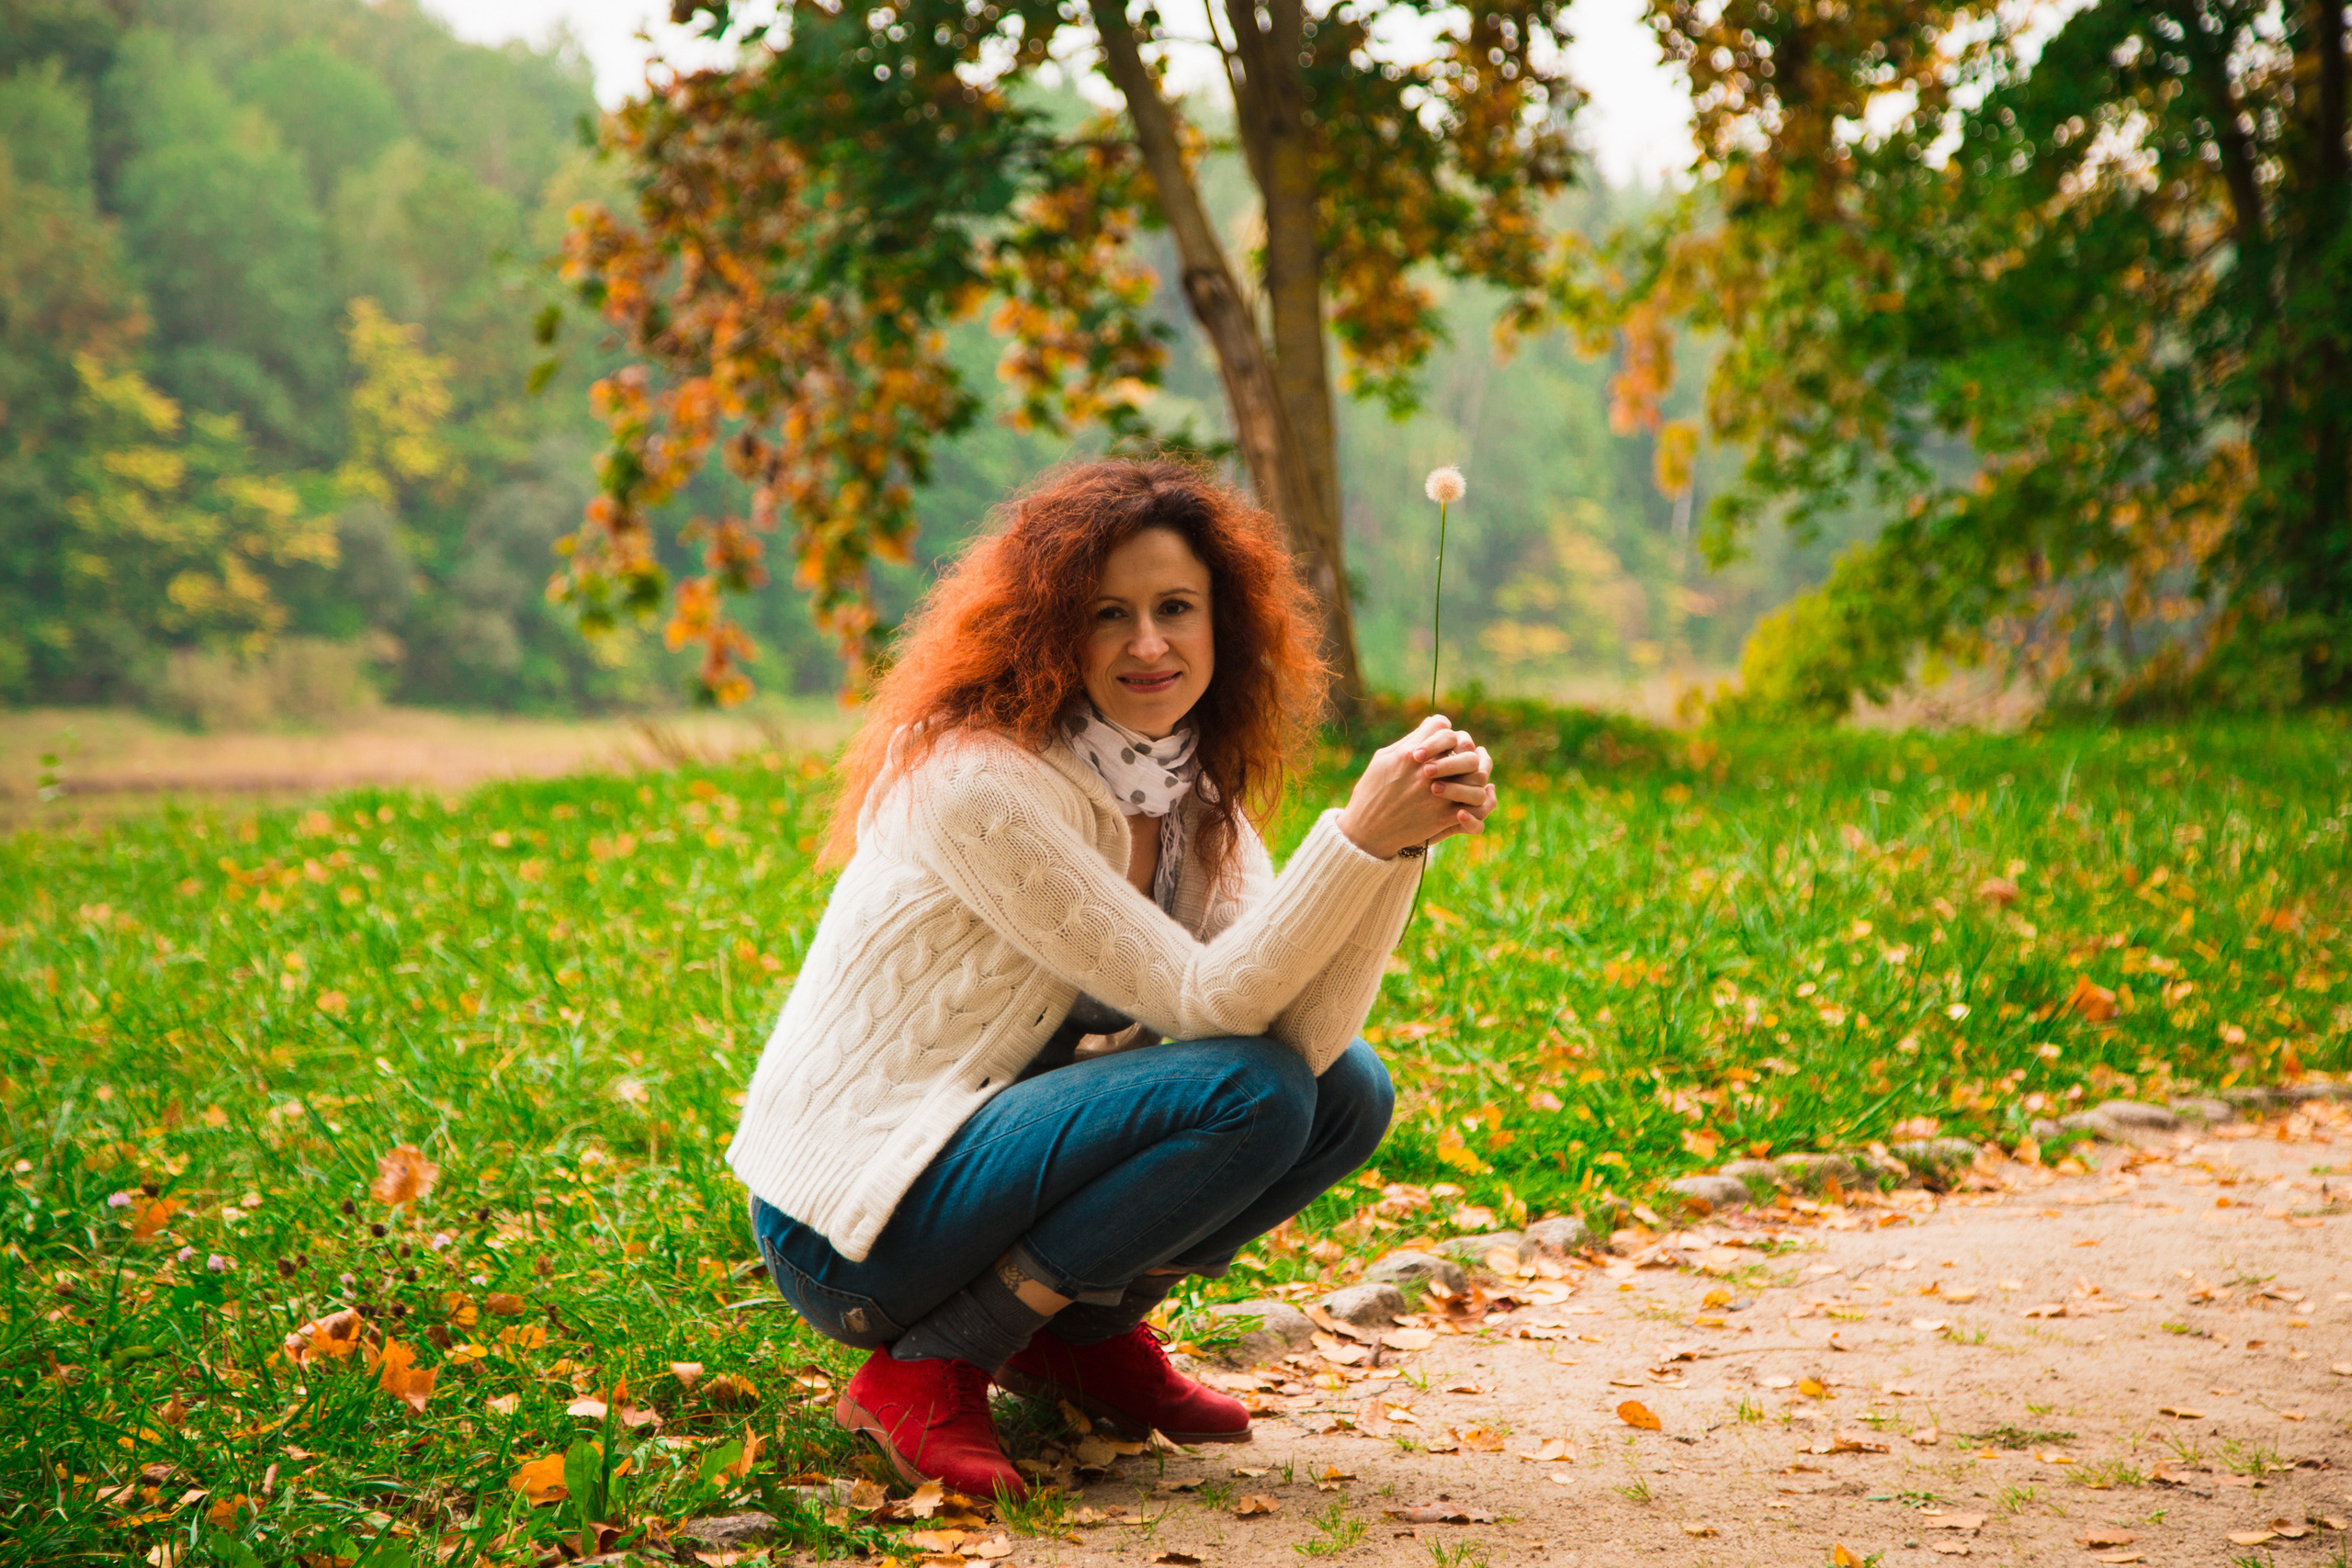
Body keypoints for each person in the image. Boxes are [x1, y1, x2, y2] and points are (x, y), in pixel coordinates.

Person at [727, 458, 1498, 1496]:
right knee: (1249, 1095)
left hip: (982, 1177)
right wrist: (1354, 837)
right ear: (1049, 629)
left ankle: (1077, 1339)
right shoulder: (978, 783)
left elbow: (1301, 1039)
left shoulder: (1186, 792)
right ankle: (925, 1367)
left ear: (1223, 624)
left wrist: (1399, 851)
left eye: (1175, 607)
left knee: (1344, 1090)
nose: (1149, 643)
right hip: (857, 1228)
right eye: (1107, 615)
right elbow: (1209, 1005)